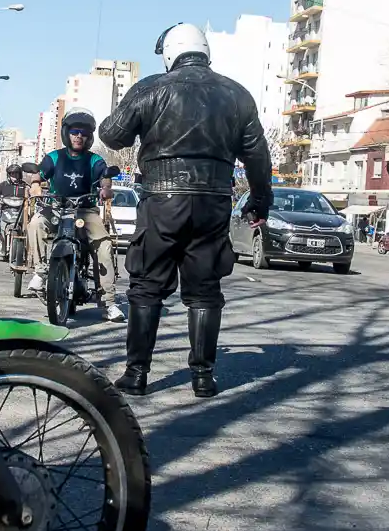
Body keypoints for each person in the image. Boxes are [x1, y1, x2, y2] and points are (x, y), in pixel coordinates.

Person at [98, 22, 273, 398]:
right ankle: (203, 378)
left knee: (146, 287)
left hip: (162, 200)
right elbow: (257, 153)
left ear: (169, 55)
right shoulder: (237, 94)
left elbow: (113, 134)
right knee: (204, 290)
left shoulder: (151, 88)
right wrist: (261, 199)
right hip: (213, 202)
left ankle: (137, 373)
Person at [28, 109, 125, 323]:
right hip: (56, 207)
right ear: (66, 133)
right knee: (35, 222)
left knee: (104, 245)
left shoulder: (94, 159)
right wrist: (35, 185)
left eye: (83, 132)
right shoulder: (54, 157)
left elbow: (104, 177)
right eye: (74, 131)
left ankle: (108, 303)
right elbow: (39, 174)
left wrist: (106, 189)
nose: (78, 136)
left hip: (85, 210)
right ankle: (42, 271)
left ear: (89, 137)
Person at [0, 163, 23, 249]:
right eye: (12, 174)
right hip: (3, 210)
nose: (14, 176)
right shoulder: (2, 185)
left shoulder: (25, 186)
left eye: (16, 173)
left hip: (20, 211)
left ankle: (28, 245)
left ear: (19, 174)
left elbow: (30, 197)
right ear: (9, 175)